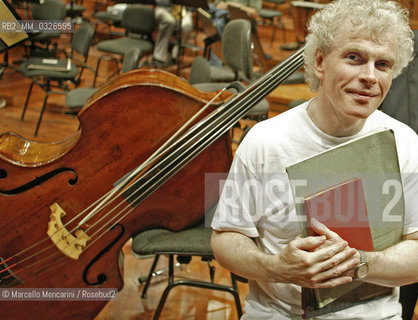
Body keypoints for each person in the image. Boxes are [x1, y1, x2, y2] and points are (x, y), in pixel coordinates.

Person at [210, 0, 418, 319]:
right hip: (278, 314)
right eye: (354, 57)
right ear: (320, 61)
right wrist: (276, 268)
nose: (369, 77)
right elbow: (226, 238)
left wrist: (361, 262)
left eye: (383, 65)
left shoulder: (405, 144)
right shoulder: (265, 142)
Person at [152, 0, 193, 68]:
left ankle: (175, 55)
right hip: (164, 8)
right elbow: (158, 1)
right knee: (169, 21)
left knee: (187, 26)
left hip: (182, 10)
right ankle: (158, 57)